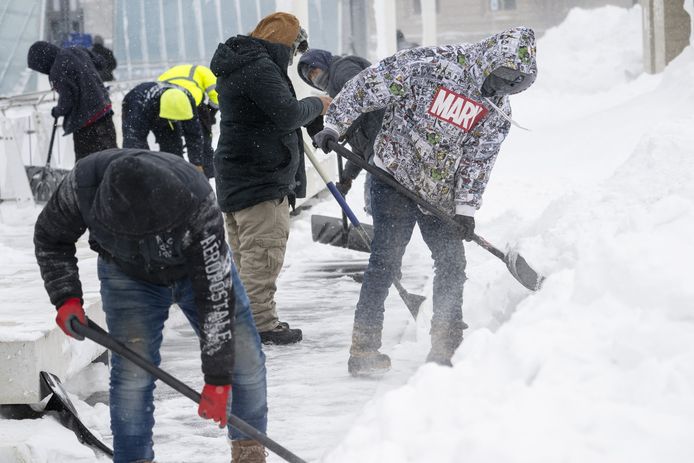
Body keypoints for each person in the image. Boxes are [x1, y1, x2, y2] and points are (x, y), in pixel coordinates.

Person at [313, 27, 538, 374]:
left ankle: (445, 346)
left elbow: (479, 161)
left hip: (439, 192)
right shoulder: (430, 64)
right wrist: (334, 125)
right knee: (385, 260)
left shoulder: (496, 110)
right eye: (503, 79)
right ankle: (364, 350)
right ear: (491, 61)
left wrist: (465, 209)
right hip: (394, 175)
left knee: (451, 261)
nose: (503, 90)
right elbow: (367, 86)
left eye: (516, 86)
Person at [34, 148, 268, 463]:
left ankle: (249, 451)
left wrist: (217, 379)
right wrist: (66, 296)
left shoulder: (197, 201)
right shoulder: (82, 185)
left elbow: (215, 298)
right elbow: (50, 236)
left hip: (194, 270)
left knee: (244, 358)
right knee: (132, 375)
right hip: (126, 274)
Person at [211, 12, 331, 345]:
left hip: (238, 174)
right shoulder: (259, 68)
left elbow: (272, 113)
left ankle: (242, 321)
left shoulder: (240, 64)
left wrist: (307, 118)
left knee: (244, 257)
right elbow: (287, 114)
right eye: (294, 51)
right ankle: (260, 325)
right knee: (262, 256)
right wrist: (317, 104)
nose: (293, 59)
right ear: (284, 44)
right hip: (260, 177)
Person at [298, 48, 384, 213]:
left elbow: (360, 93)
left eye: (313, 71)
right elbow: (360, 150)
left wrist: (339, 126)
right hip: (377, 146)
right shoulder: (336, 94)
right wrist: (347, 178)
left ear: (322, 62)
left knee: (376, 197)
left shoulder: (342, 68)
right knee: (376, 202)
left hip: (386, 141)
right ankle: (384, 235)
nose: (314, 78)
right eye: (310, 78)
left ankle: (384, 236)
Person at [27, 41, 117, 161]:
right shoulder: (77, 50)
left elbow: (67, 99)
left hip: (87, 123)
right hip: (104, 111)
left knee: (85, 164)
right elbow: (100, 62)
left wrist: (58, 111)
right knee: (111, 157)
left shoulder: (58, 68)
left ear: (42, 62)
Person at [121, 81, 206, 172]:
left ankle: (174, 175)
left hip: (166, 107)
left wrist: (197, 163)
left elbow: (194, 133)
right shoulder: (138, 105)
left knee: (173, 151)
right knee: (139, 156)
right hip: (138, 104)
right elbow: (134, 140)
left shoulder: (187, 99)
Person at [158, 64, 219, 177]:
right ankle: (205, 173)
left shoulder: (168, 73)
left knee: (171, 145)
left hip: (166, 106)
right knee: (200, 140)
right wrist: (210, 115)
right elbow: (216, 96)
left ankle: (174, 172)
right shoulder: (203, 71)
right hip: (193, 104)